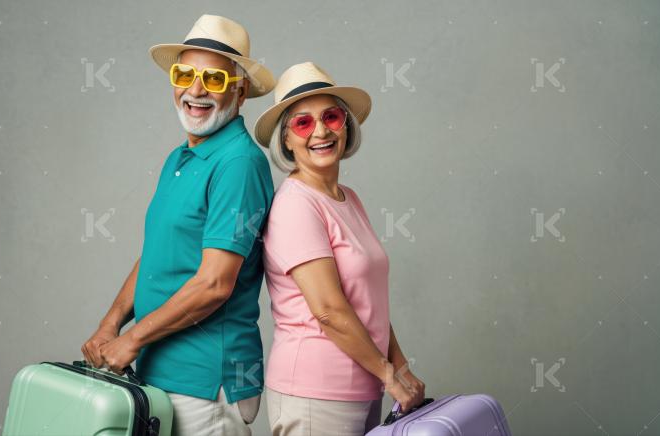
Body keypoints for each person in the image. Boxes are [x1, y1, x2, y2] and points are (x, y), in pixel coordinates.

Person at [81, 14, 276, 436]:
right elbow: (157, 252)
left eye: (215, 80)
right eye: (185, 74)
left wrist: (131, 340)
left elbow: (214, 284)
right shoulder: (179, 158)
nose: (196, 89)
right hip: (163, 373)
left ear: (241, 93)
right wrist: (110, 323)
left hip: (207, 379)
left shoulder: (238, 163)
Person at [253, 62, 426, 435]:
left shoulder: (349, 199)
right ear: (286, 139)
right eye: (302, 123)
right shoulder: (296, 204)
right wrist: (387, 373)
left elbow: (367, 301)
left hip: (366, 384)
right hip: (317, 392)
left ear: (346, 125)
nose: (320, 131)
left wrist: (399, 367)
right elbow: (329, 310)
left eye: (331, 117)